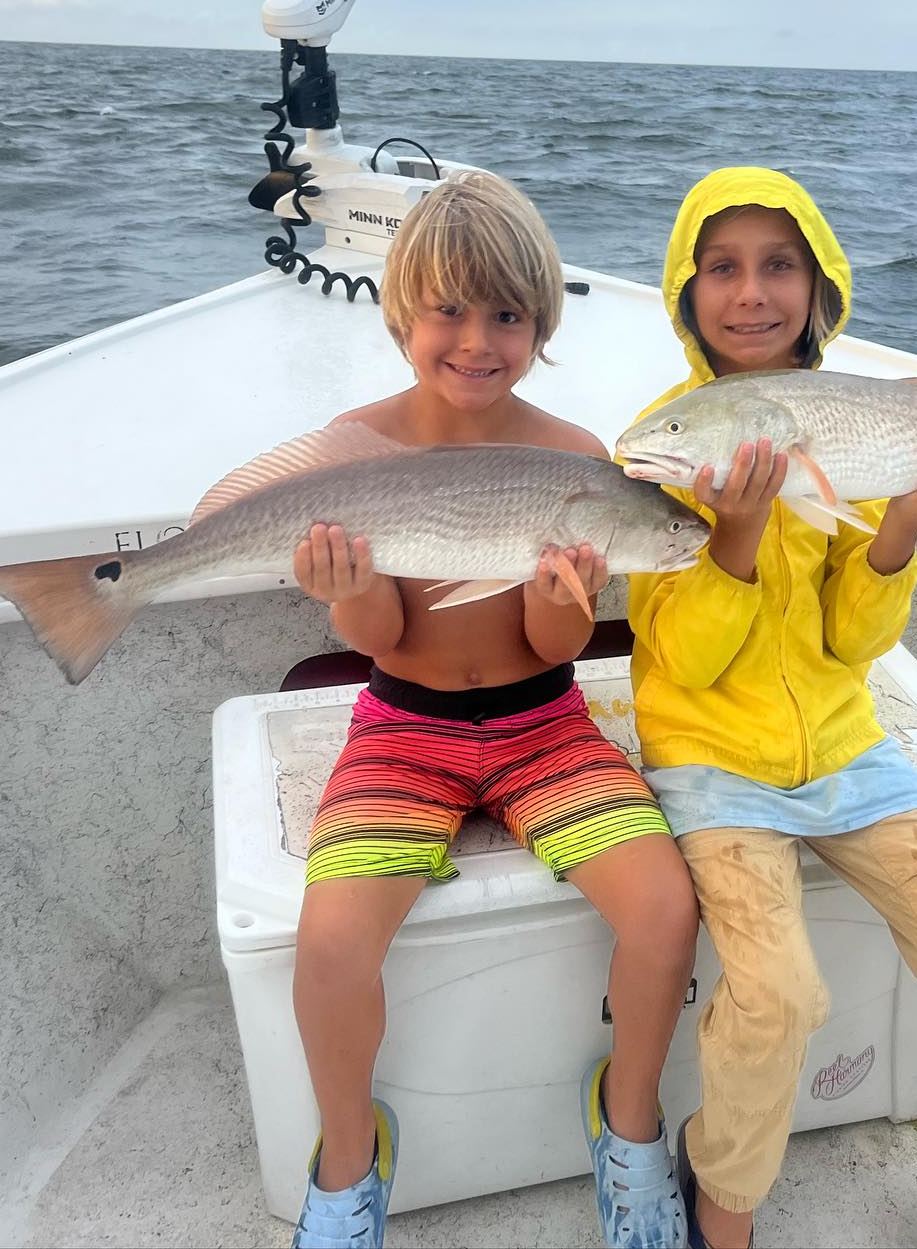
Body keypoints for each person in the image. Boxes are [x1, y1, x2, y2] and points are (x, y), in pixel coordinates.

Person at [624, 167, 917, 1249]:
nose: (750, 291)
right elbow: (687, 658)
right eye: (721, 266)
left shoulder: (853, 426)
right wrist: (735, 531)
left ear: (819, 287)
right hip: (712, 757)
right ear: (685, 291)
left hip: (850, 747)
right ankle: (723, 1198)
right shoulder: (670, 440)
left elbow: (855, 641)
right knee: (778, 996)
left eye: (780, 265)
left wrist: (904, 521)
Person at [289, 170, 697, 1249]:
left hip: (545, 724)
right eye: (449, 310)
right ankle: (347, 1164)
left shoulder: (576, 458)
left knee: (665, 908)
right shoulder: (354, 444)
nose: (477, 340)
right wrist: (346, 587)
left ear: (541, 325)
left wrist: (566, 597)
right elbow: (379, 637)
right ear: (400, 313)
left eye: (509, 315)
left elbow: (556, 647)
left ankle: (630, 1126)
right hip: (403, 726)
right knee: (329, 940)